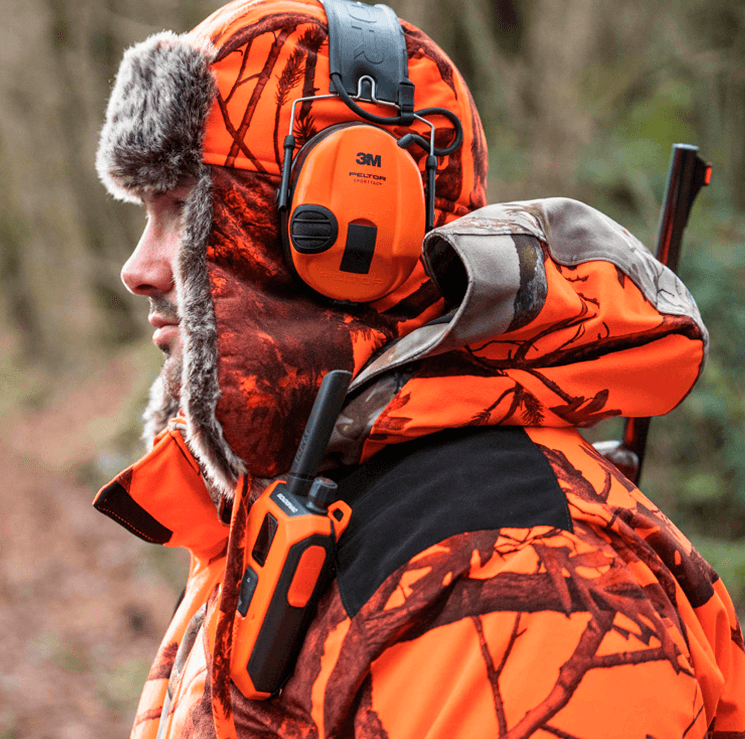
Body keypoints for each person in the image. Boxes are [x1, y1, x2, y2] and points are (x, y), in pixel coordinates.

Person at [94, 0, 745, 737]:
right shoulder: (281, 499)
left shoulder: (523, 586)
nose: (137, 269)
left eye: (182, 210)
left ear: (358, 227)